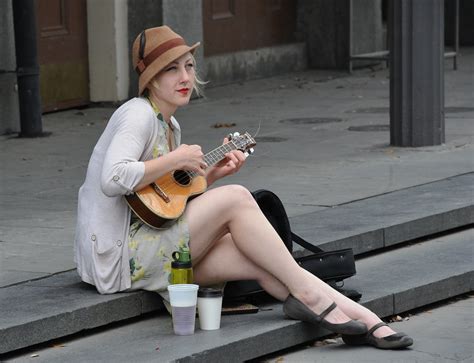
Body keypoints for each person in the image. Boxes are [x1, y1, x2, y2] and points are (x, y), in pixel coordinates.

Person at [74, 25, 413, 350]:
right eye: (171, 70)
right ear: (151, 79)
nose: (185, 78)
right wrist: (177, 159)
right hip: (118, 258)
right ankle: (311, 299)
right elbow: (113, 178)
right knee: (239, 198)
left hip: (148, 244)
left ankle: (367, 321)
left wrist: (212, 175)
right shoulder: (137, 115)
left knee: (259, 260)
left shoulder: (169, 124)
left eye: (189, 66)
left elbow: (161, 201)